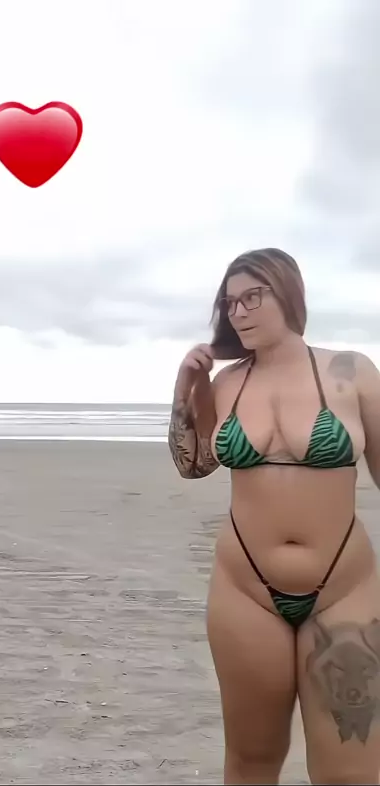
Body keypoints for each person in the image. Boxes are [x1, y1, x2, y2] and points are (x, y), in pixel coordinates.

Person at [168, 247, 380, 786]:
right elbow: (193, 465)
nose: (238, 312)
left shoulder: (351, 371)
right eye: (230, 302)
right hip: (245, 592)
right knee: (252, 759)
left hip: (344, 591)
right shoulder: (227, 383)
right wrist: (185, 388)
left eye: (252, 297)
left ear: (288, 293)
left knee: (351, 770)